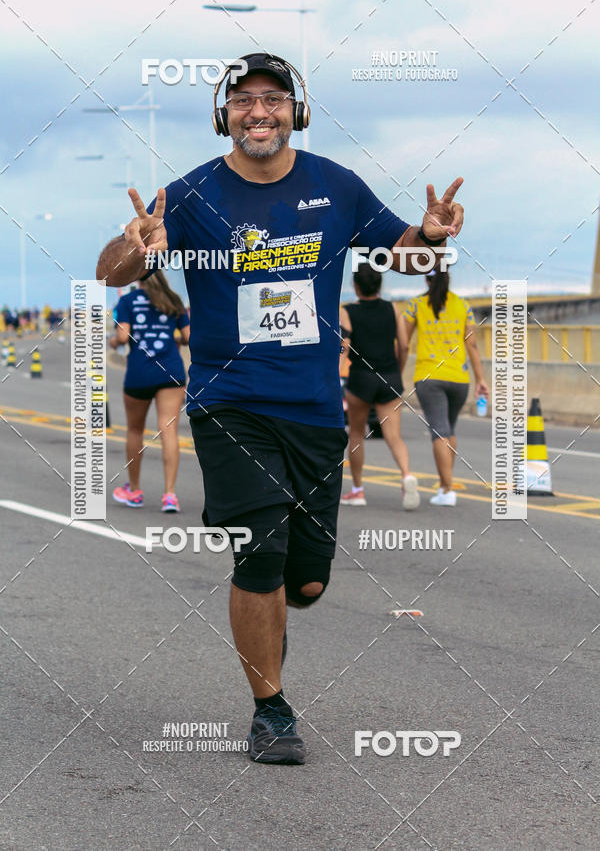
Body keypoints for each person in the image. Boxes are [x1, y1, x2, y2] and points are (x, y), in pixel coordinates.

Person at [97, 51, 465, 765]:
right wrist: (134, 245)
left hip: (315, 410)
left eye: (273, 99)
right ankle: (271, 710)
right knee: (259, 552)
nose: (258, 111)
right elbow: (112, 272)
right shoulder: (191, 194)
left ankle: (273, 617)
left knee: (307, 582)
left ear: (296, 111)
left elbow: (405, 255)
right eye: (243, 100)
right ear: (223, 115)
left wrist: (431, 238)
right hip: (229, 403)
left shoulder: (335, 184)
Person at [404, 269, 488, 506]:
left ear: (425, 278)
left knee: (439, 432)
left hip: (429, 377)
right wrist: (480, 379)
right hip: (459, 378)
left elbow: (403, 342)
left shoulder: (416, 305)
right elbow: (472, 345)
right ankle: (445, 487)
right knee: (449, 431)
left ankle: (447, 489)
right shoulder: (463, 305)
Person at [339, 262, 419, 510]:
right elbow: (404, 345)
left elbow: (344, 346)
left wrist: (335, 370)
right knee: (394, 436)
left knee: (356, 434)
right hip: (389, 377)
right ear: (379, 285)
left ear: (355, 286)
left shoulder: (347, 311)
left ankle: (358, 490)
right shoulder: (392, 308)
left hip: (361, 378)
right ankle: (406, 475)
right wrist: (398, 370)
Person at [109, 271, 190, 512]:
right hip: (170, 371)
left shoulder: (127, 301)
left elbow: (122, 337)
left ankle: (134, 491)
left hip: (140, 372)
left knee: (135, 430)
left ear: (138, 278)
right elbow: (188, 336)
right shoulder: (173, 299)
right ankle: (170, 495)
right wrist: (174, 339)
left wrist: (113, 342)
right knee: (169, 431)